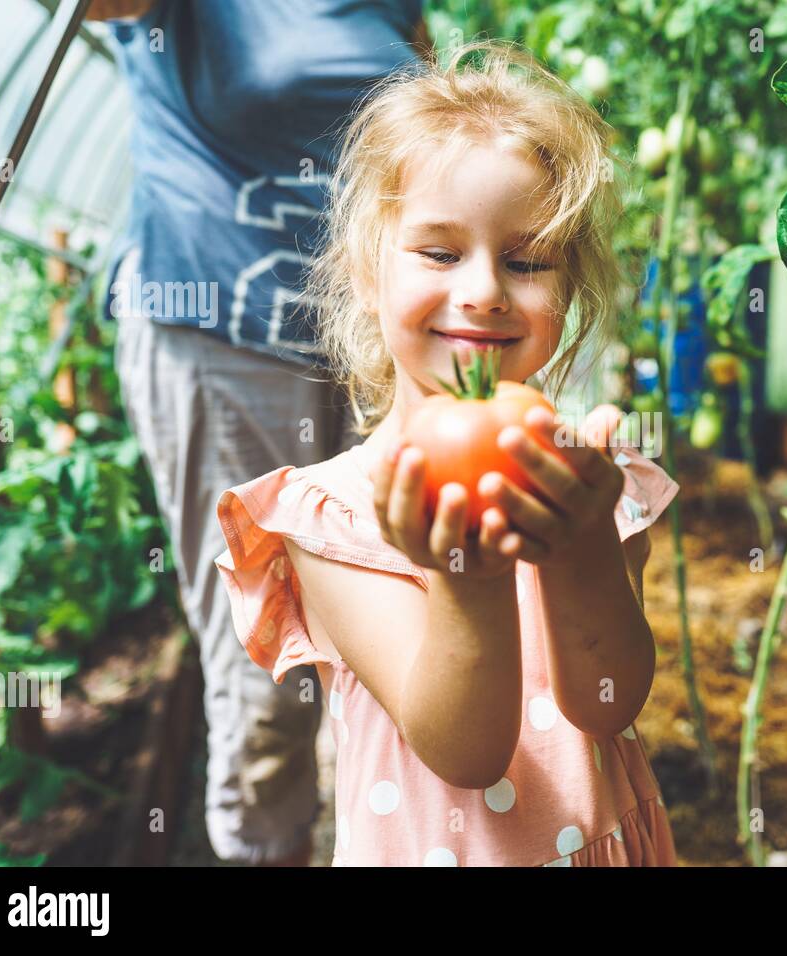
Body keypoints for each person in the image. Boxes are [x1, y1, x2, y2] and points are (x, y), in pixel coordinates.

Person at [213, 40, 681, 865]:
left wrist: (581, 543)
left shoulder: (592, 480)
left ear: (566, 288)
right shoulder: (334, 520)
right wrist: (469, 577)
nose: (484, 290)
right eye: (439, 251)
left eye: (526, 259)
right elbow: (465, 751)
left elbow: (610, 702)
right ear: (367, 271)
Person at [89, 0, 428, 865]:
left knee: (403, 636)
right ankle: (262, 853)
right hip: (215, 332)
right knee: (265, 668)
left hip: (363, 348)